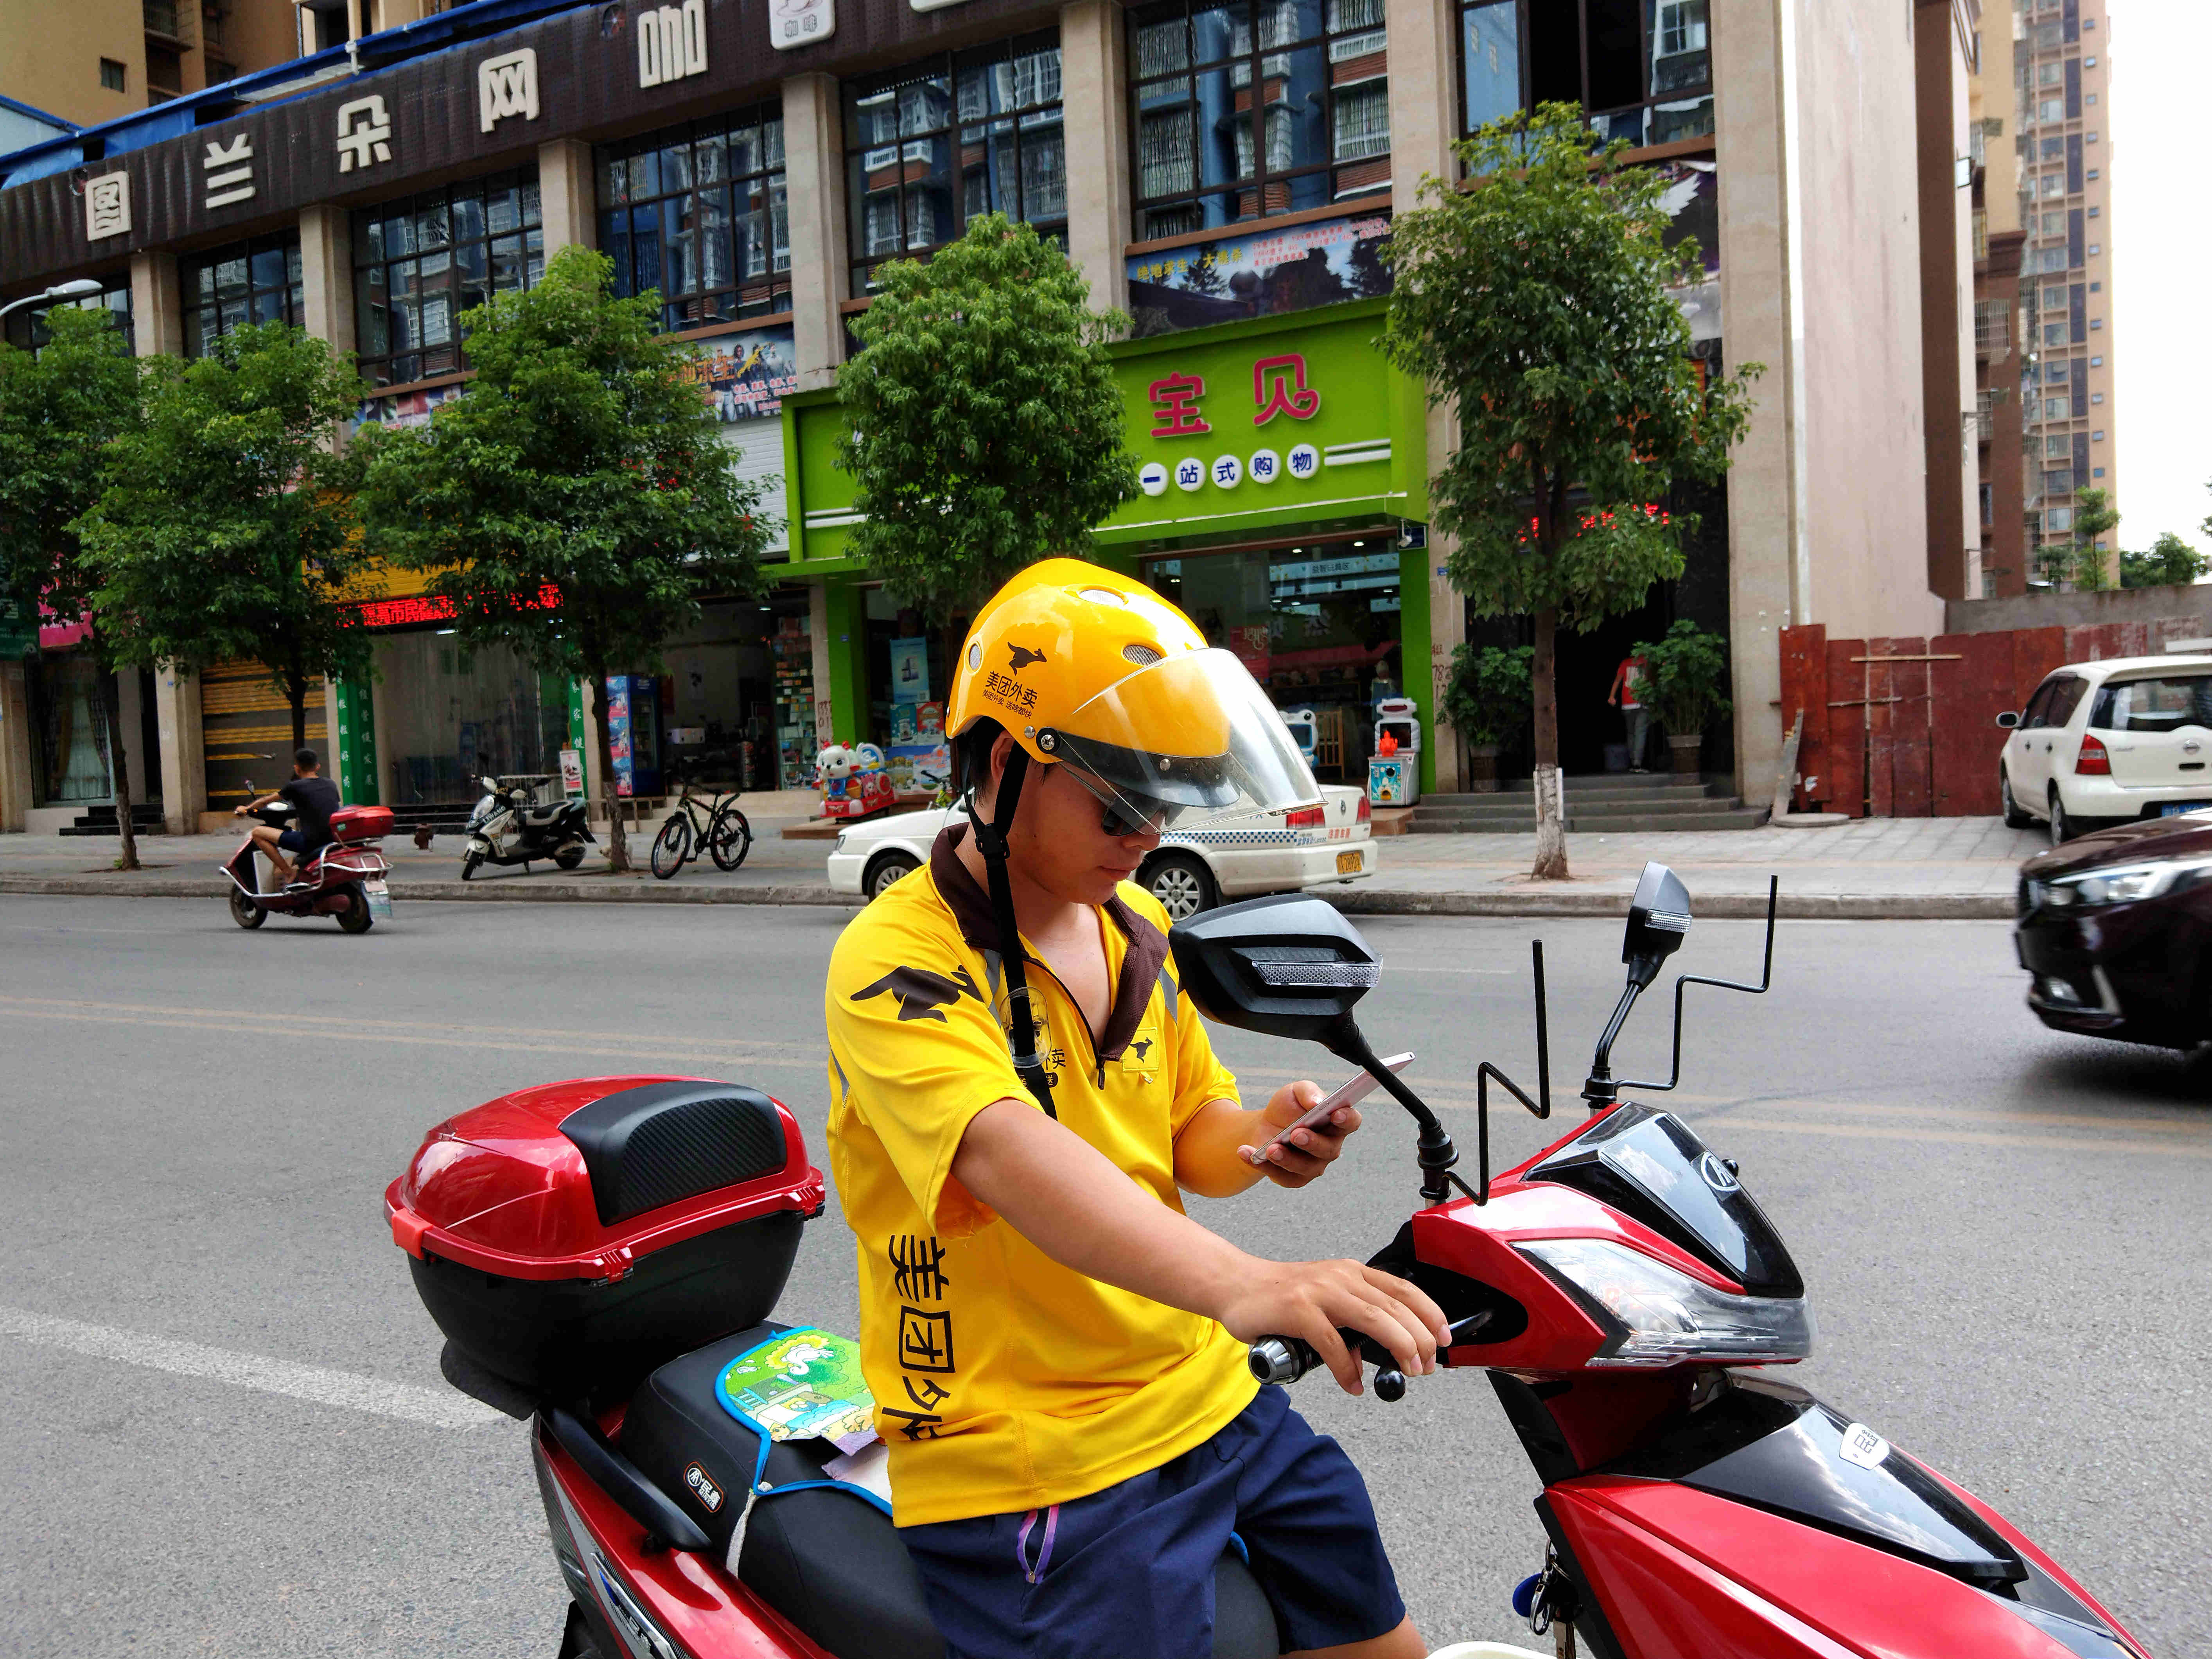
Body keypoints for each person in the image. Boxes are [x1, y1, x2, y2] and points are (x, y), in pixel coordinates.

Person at [824, 560, 1447, 1659]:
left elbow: (1186, 1138)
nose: (1147, 833)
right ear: (1012, 766)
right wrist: (1253, 1281)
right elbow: (1008, 1157)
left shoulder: (1132, 933)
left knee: (1367, 1604)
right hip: (1023, 1447)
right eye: (1122, 802)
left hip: (1197, 1384)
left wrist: (1264, 1137)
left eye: (1165, 802)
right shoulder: (899, 956)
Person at [235, 747, 341, 888]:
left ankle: (288, 873)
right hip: (332, 838)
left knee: (257, 833)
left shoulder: (295, 787)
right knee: (293, 830)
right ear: (318, 767)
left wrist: (245, 810)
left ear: (297, 768)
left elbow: (265, 801)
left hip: (310, 842)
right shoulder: (331, 784)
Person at [1609, 651, 1652, 771]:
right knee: (1640, 732)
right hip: (1642, 703)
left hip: (1627, 704)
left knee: (1631, 733)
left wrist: (1612, 696)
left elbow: (1618, 680)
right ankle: (1637, 763)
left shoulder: (1626, 663)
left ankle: (1634, 762)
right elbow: (1652, 681)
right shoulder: (1648, 662)